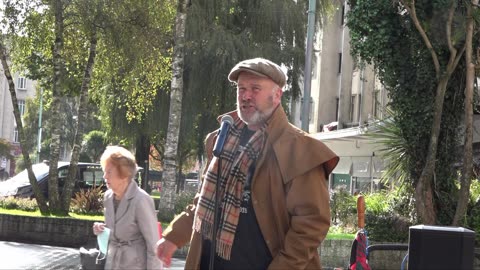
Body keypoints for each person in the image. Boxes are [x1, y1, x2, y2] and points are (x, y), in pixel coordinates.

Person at [156, 58, 339, 269]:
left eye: (255, 89)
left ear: (277, 95)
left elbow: (311, 224)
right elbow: (205, 201)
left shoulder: (299, 149)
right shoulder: (223, 139)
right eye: (241, 88)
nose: (246, 96)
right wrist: (174, 237)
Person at [93, 145, 163, 269]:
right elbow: (115, 230)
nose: (104, 176)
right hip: (112, 264)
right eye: (104, 171)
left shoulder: (141, 200)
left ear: (124, 174)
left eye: (109, 172)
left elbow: (154, 246)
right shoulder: (108, 197)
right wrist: (100, 230)